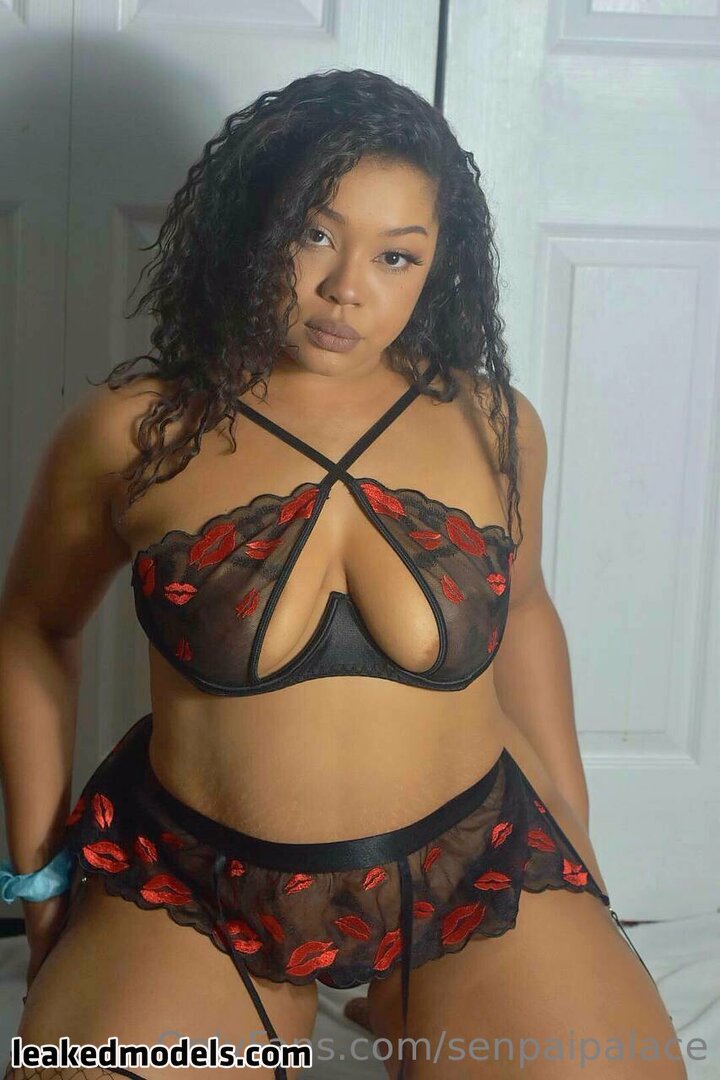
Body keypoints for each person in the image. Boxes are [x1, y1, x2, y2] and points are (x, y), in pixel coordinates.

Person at [0, 68, 685, 1080]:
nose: (347, 290)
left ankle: (408, 995)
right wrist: (38, 877)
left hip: (472, 867)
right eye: (314, 234)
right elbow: (32, 626)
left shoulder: (493, 423)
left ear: (438, 267)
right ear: (251, 228)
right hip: (197, 885)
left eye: (396, 255)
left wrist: (577, 847)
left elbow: (527, 612)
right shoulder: (133, 433)